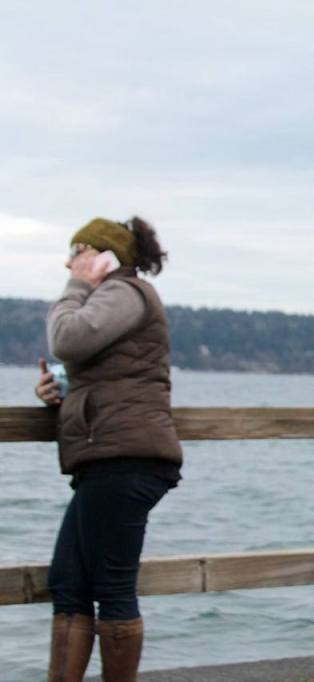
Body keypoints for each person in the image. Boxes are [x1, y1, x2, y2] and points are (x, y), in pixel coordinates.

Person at [34, 217, 182, 682]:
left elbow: (68, 339)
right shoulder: (115, 300)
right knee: (69, 583)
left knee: (112, 589)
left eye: (77, 253)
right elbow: (100, 367)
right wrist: (58, 390)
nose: (68, 263)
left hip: (126, 458)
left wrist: (76, 285)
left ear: (103, 257)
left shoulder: (124, 293)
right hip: (111, 457)